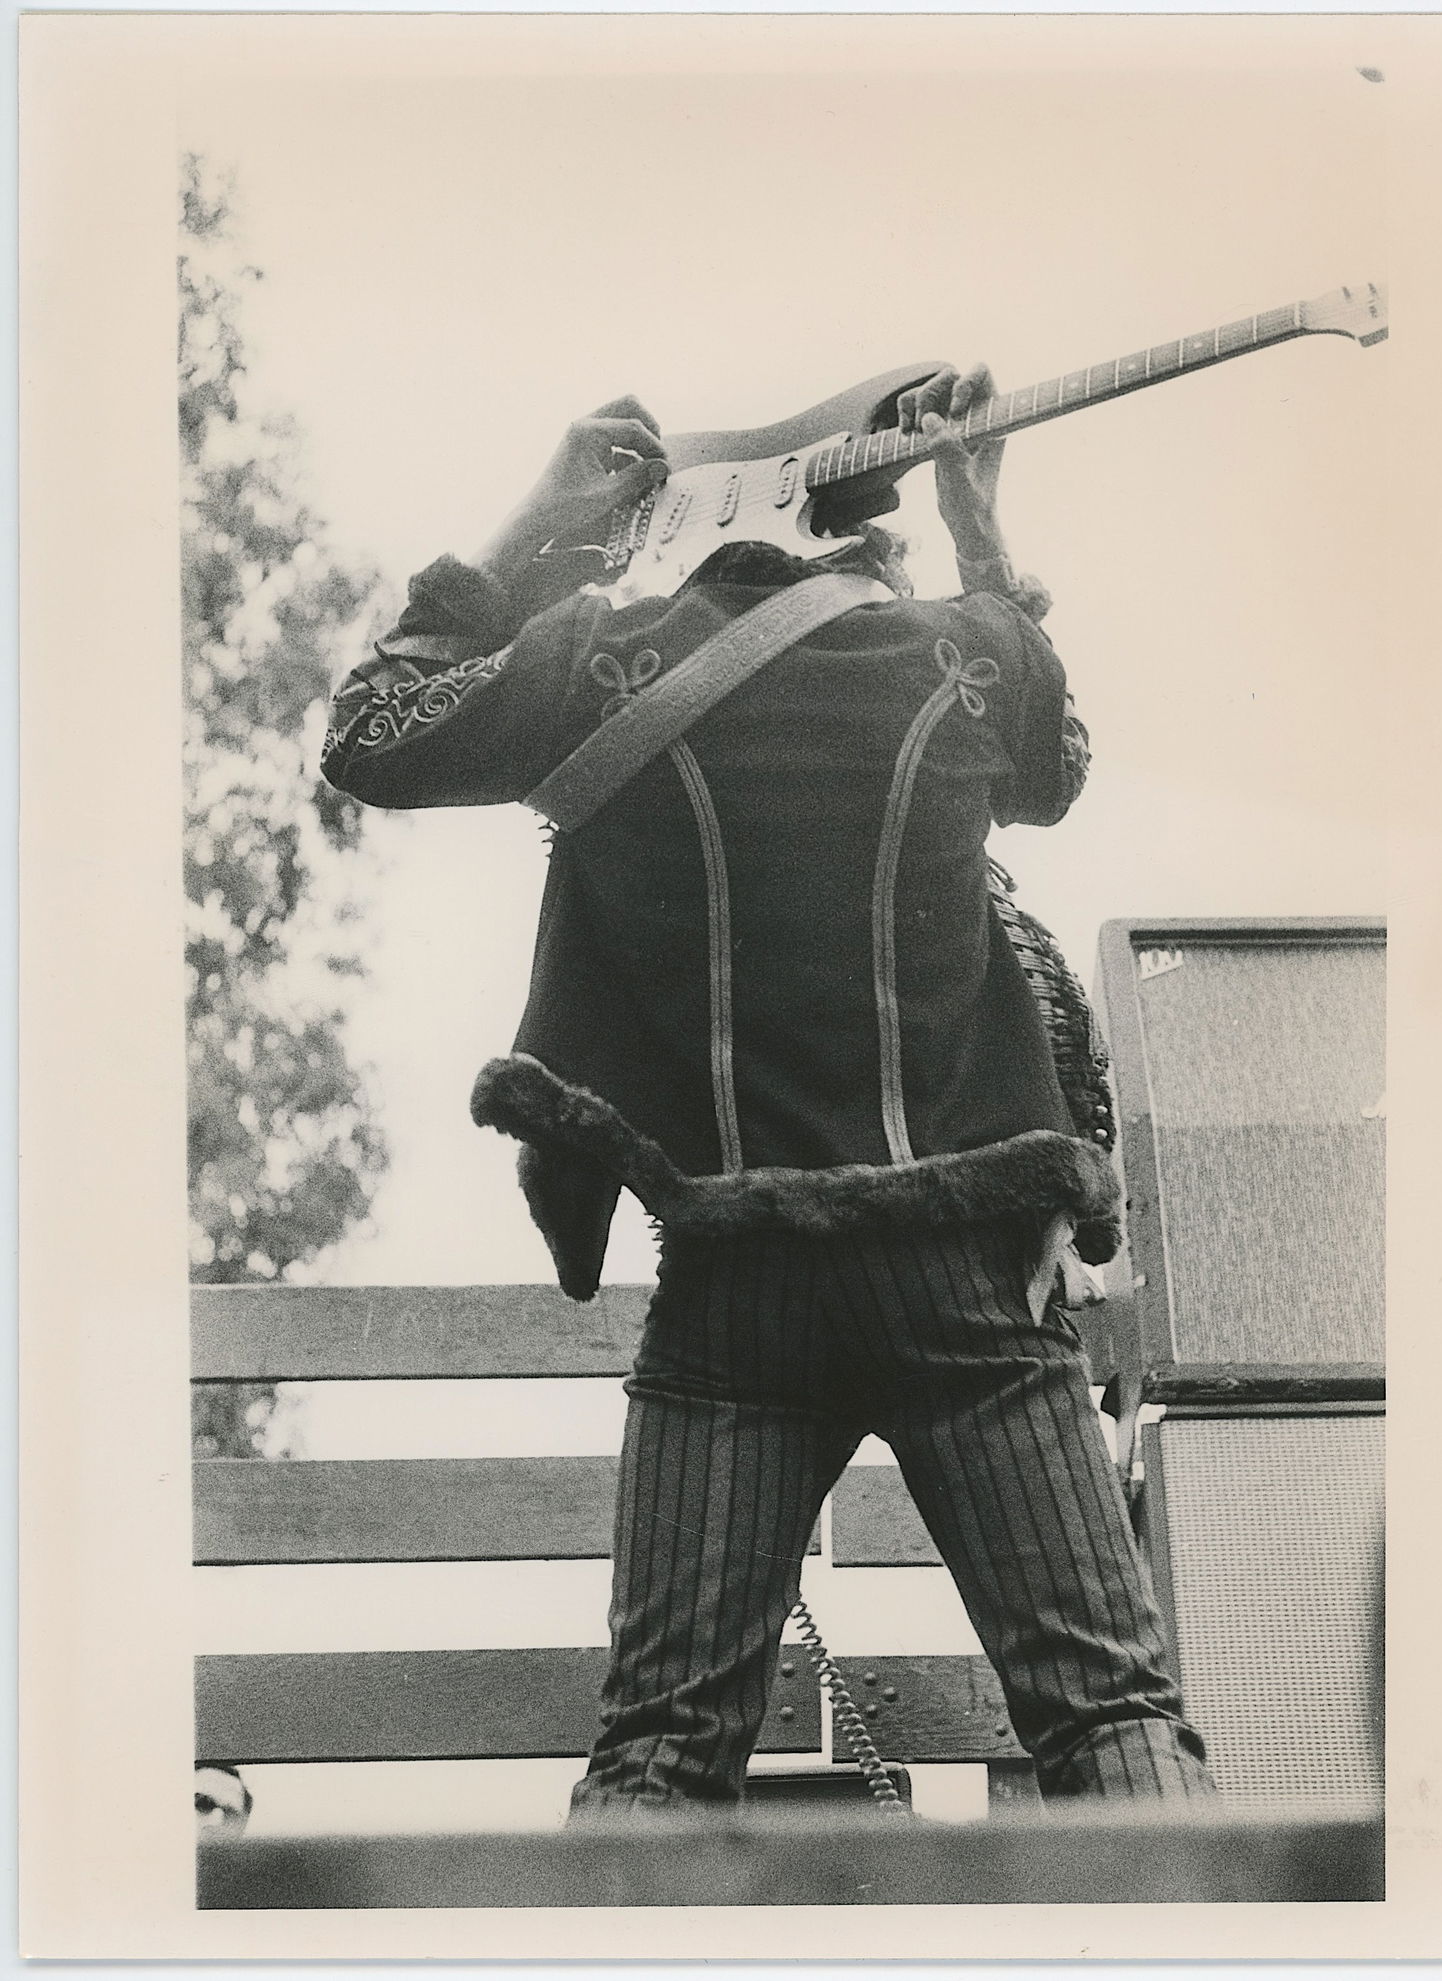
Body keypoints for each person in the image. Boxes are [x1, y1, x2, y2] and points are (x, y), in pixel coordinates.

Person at [321, 366, 1215, 1812]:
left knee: (661, 1756)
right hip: (966, 1282)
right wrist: (984, 530)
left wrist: (534, 523)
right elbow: (1054, 765)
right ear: (868, 529)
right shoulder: (961, 652)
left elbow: (370, 732)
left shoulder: (595, 662)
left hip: (738, 1289)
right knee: (1107, 1711)